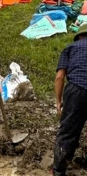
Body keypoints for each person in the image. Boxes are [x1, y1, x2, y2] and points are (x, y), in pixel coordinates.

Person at [53, 23, 87, 175]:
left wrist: (59, 101)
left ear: (79, 36)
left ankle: (58, 171)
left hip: (76, 90)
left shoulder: (70, 48)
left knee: (67, 133)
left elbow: (60, 77)